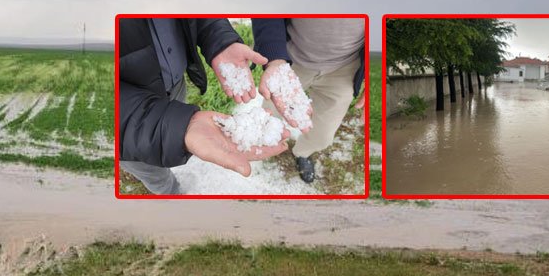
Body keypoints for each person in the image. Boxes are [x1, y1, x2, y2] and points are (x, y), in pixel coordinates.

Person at [118, 18, 288, 194]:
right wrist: (174, 128)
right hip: (128, 124)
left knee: (168, 142)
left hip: (174, 85)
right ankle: (170, 193)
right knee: (152, 171)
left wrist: (220, 40)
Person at [253, 18, 366, 184]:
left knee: (322, 136)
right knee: (268, 117)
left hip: (345, 69)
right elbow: (268, 7)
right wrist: (275, 58)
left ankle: (302, 153)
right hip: (290, 57)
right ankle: (261, 145)